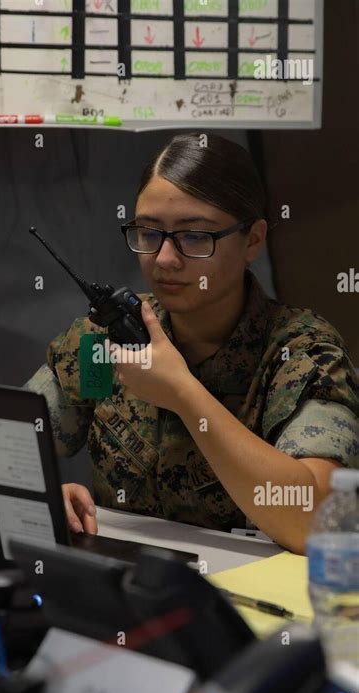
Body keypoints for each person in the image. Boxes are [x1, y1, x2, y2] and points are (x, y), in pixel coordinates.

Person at [26, 133, 359, 555]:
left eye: (196, 237)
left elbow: (314, 523)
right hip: (126, 596)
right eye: (148, 233)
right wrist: (39, 492)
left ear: (253, 240)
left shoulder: (300, 352)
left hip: (247, 606)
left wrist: (182, 393)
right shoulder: (104, 342)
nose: (164, 258)